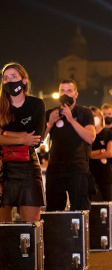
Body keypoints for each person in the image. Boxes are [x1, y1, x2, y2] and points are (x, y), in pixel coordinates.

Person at [0, 62, 44, 222]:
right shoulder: (0, 105)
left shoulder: (36, 104)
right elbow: (28, 138)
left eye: (14, 76)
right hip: (2, 169)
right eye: (5, 78)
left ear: (24, 80)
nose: (10, 81)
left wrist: (5, 134)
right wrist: (22, 138)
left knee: (32, 226)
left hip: (28, 167)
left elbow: (36, 139)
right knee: (3, 228)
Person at [45, 78, 95, 211]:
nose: (65, 94)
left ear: (76, 94)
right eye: (62, 91)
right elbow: (38, 140)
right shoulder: (51, 113)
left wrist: (71, 120)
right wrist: (50, 123)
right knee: (54, 211)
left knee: (79, 211)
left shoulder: (84, 113)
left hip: (77, 168)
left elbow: (90, 137)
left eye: (69, 91)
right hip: (55, 169)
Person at [89, 106, 112, 202]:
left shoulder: (108, 133)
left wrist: (91, 155)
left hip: (105, 175)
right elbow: (85, 155)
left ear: (100, 117)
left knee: (107, 202)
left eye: (95, 116)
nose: (93, 118)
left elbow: (109, 153)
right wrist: (100, 151)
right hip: (90, 175)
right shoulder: (86, 134)